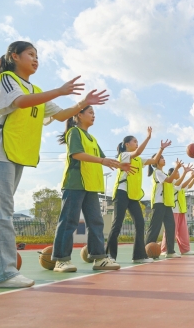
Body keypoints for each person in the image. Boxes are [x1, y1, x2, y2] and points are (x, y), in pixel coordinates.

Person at [0, 41, 108, 288]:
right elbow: (21, 102)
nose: (36, 59)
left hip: (16, 154)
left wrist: (80, 104)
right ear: (14, 56)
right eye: (31, 54)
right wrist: (59, 90)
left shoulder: (35, 89)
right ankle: (2, 273)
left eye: (38, 56)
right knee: (0, 212)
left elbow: (60, 115)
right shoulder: (7, 79)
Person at [52, 106, 130, 272]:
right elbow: (76, 154)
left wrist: (119, 165)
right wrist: (102, 162)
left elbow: (103, 158)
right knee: (69, 221)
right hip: (75, 182)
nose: (94, 116)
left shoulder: (92, 139)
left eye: (94, 113)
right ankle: (61, 259)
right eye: (90, 112)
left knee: (96, 222)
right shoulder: (74, 133)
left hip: (91, 185)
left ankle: (99, 258)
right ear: (79, 115)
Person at [105, 129, 171, 263]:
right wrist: (148, 138)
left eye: (137, 141)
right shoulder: (124, 155)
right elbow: (138, 152)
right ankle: (110, 256)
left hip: (133, 196)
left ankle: (139, 256)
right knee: (117, 223)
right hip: (122, 192)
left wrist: (161, 149)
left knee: (140, 223)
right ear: (127, 144)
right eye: (134, 141)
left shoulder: (139, 160)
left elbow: (154, 160)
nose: (136, 143)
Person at [146, 156, 183, 258]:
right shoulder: (157, 172)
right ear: (156, 161)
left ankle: (170, 251)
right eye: (161, 158)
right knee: (155, 227)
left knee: (171, 227)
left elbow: (176, 183)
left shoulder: (164, 173)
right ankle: (147, 250)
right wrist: (176, 168)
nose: (164, 159)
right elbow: (170, 180)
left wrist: (182, 172)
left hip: (166, 204)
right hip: (159, 203)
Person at [161, 169, 194, 255]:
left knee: (183, 232)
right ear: (172, 174)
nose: (178, 173)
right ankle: (164, 249)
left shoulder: (180, 183)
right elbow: (183, 185)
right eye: (177, 172)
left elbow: (188, 186)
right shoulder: (172, 183)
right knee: (171, 231)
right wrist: (191, 177)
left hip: (181, 210)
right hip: (173, 210)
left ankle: (185, 249)